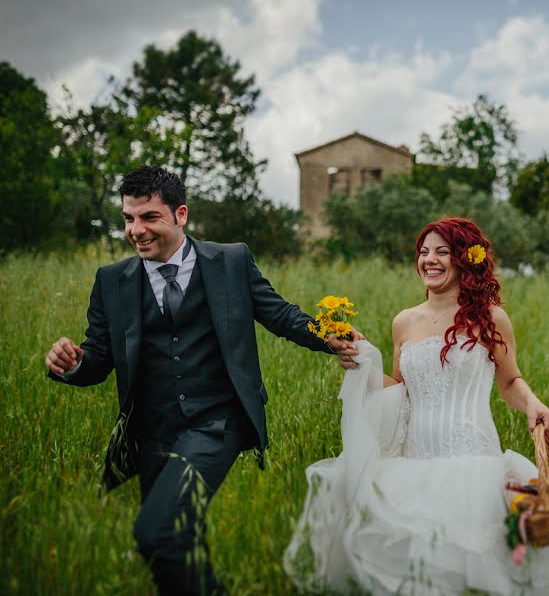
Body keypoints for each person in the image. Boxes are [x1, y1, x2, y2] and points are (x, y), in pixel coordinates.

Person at [44, 166, 361, 595]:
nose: (136, 230)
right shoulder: (111, 281)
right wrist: (72, 363)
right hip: (152, 433)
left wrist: (332, 338)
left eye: (149, 217)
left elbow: (280, 315)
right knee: (174, 543)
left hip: (216, 423)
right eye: (128, 218)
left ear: (181, 214)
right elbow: (97, 359)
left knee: (155, 533)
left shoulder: (230, 261)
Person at [285, 218, 549, 594]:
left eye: (442, 252)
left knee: (474, 573)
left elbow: (510, 381)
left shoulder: (490, 319)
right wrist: (361, 366)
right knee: (422, 576)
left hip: (472, 464)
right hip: (413, 465)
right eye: (424, 252)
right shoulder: (404, 322)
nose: (430, 260)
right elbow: (400, 389)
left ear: (464, 259)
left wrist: (531, 402)